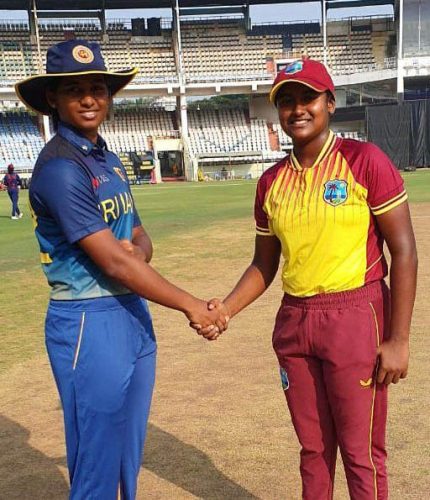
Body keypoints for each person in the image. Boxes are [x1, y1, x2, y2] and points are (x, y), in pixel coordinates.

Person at [195, 58, 417, 499]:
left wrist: (398, 339)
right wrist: (225, 310)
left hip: (356, 314)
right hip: (296, 321)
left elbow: (405, 250)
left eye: (308, 98)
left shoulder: (364, 160)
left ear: (330, 103)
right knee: (313, 449)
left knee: (360, 451)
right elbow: (264, 264)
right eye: (287, 101)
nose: (298, 109)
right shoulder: (271, 182)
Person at [15, 39, 227, 500]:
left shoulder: (107, 159)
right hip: (89, 321)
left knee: (127, 455)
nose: (89, 99)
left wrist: (134, 254)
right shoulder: (59, 168)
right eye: (75, 90)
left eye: (98, 88)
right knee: (96, 465)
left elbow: (138, 237)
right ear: (53, 97)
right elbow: (113, 258)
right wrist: (192, 305)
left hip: (131, 314)